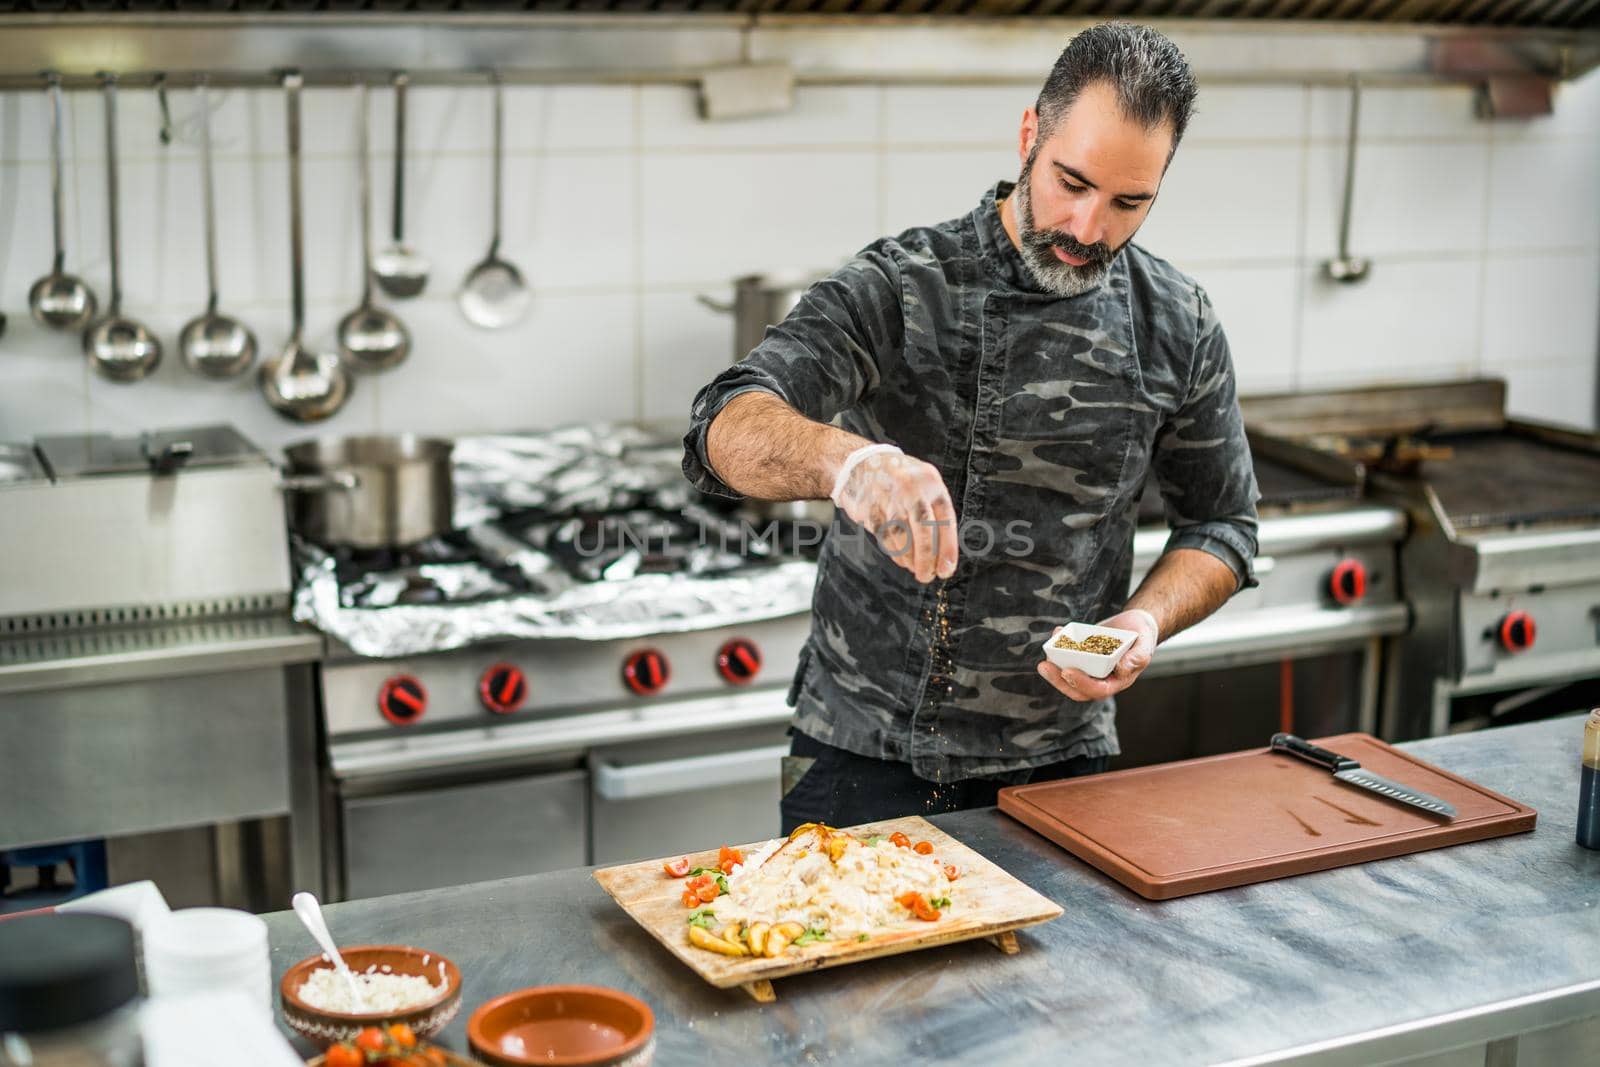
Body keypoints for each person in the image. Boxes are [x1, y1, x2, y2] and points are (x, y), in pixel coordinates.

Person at [682, 23, 1260, 833]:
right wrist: (848, 463)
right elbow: (724, 422)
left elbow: (1224, 524)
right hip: (868, 756)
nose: (1090, 229)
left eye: (1130, 202)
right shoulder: (904, 285)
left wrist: (1145, 619)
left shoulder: (1176, 322)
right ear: (1031, 135)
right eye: (1071, 181)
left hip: (1065, 762)